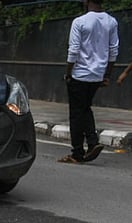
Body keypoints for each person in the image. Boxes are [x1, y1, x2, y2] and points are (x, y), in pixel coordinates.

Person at [58, 0, 118, 164]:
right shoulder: (111, 22)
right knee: (85, 108)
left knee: (76, 113)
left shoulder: (80, 22)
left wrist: (68, 73)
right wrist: (107, 75)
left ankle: (77, 153)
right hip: (97, 75)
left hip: (80, 74)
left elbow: (74, 50)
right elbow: (113, 51)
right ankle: (92, 142)